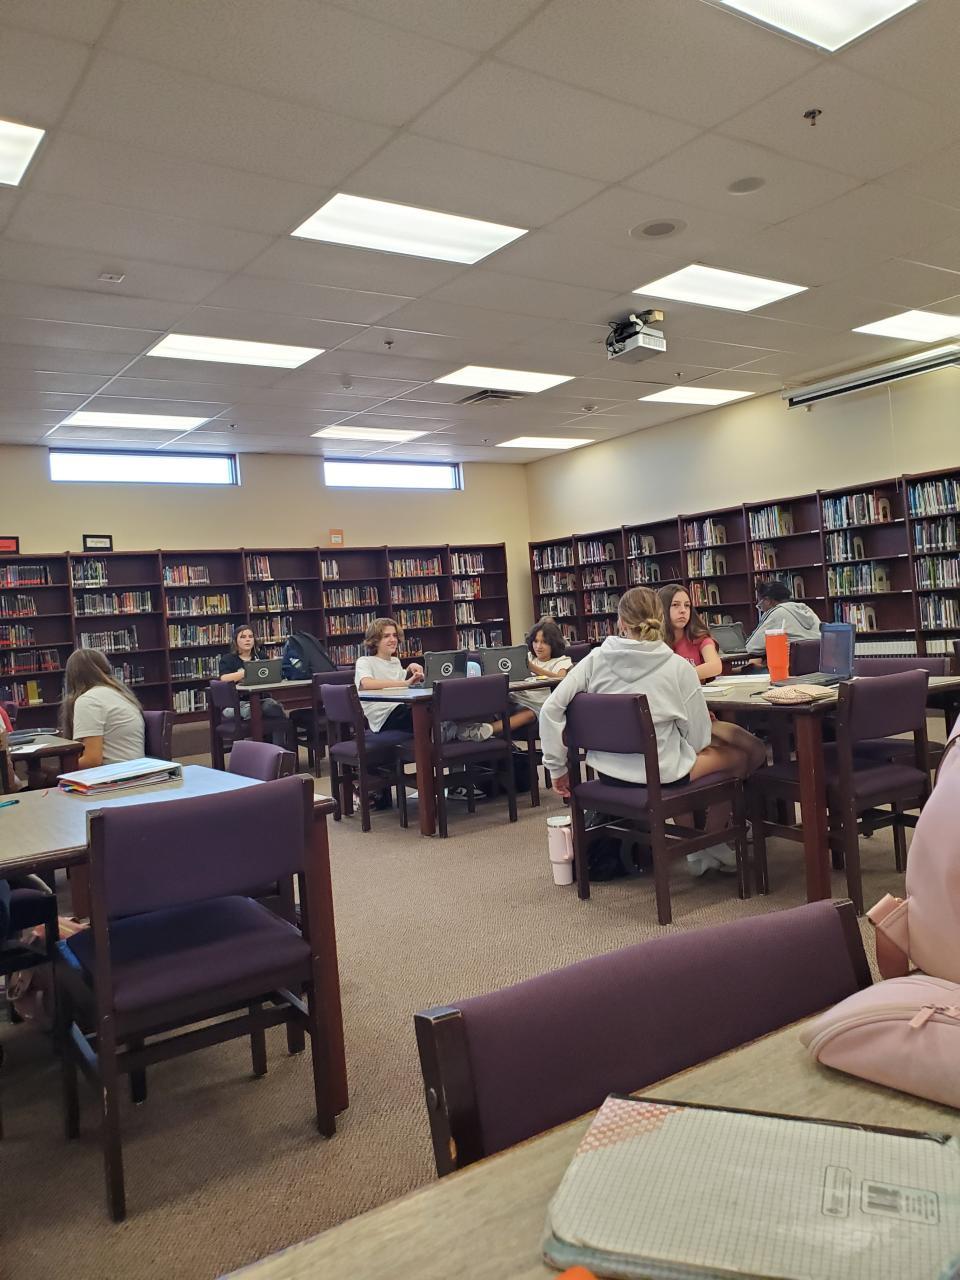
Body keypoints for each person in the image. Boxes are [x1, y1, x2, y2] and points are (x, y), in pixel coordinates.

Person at [539, 586, 767, 875]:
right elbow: (698, 740)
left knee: (685, 755)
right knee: (741, 756)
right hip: (662, 774)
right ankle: (708, 841)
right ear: (661, 618)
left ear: (621, 622)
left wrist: (556, 768)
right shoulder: (678, 667)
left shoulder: (594, 660)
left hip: (609, 773)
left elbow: (550, 709)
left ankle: (699, 846)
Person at [59, 648, 145, 767]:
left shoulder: (88, 700)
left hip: (114, 773)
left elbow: (92, 760)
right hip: (135, 769)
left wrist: (60, 770)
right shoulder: (121, 694)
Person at [355, 617, 424, 733]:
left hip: (400, 708)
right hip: (384, 716)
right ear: (375, 640)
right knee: (421, 715)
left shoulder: (395, 661)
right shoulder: (365, 661)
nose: (393, 640)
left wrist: (410, 669)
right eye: (386, 636)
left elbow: (401, 680)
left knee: (429, 708)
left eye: (395, 635)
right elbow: (367, 683)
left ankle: (443, 732)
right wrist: (405, 683)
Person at [218, 624, 285, 721]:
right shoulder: (228, 659)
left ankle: (279, 730)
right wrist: (249, 671)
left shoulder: (261, 656)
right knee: (252, 711)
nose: (248, 640)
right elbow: (224, 679)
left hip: (261, 699)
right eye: (243, 637)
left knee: (274, 708)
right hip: (236, 703)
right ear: (235, 640)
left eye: (250, 637)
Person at [658, 584, 722, 682]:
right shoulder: (654, 641)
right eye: (675, 605)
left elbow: (715, 666)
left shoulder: (700, 638)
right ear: (662, 608)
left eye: (687, 605)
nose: (683, 610)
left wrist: (677, 677)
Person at [745, 580, 821, 659]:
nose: (762, 610)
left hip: (792, 664)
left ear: (767, 601)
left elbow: (752, 647)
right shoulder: (806, 609)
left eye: (760, 605)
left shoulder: (776, 612)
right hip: (817, 663)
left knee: (753, 665)